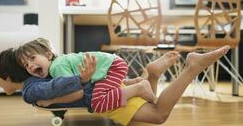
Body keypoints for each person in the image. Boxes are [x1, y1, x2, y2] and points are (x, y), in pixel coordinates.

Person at [0, 44, 230, 126]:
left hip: (104, 98)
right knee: (148, 101)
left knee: (158, 114)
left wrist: (52, 100)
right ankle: (152, 75)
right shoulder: (40, 77)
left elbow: (72, 90)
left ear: (9, 77)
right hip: (105, 85)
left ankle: (192, 67)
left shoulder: (32, 89)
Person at [15, 38, 169, 113]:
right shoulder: (57, 64)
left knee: (98, 103)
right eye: (25, 65)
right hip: (112, 64)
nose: (29, 65)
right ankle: (133, 82)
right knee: (102, 91)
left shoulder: (57, 67)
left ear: (48, 55)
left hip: (112, 67)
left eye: (32, 58)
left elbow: (76, 93)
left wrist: (51, 101)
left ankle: (139, 88)